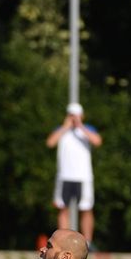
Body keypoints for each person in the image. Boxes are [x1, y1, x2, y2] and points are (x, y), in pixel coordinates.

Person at [46, 103, 102, 243]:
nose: (73, 118)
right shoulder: (61, 130)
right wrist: (66, 127)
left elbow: (97, 141)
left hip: (83, 177)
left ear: (81, 116)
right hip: (64, 176)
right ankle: (63, 242)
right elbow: (50, 143)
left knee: (86, 209)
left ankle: (87, 242)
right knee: (62, 209)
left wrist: (80, 126)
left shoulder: (87, 130)